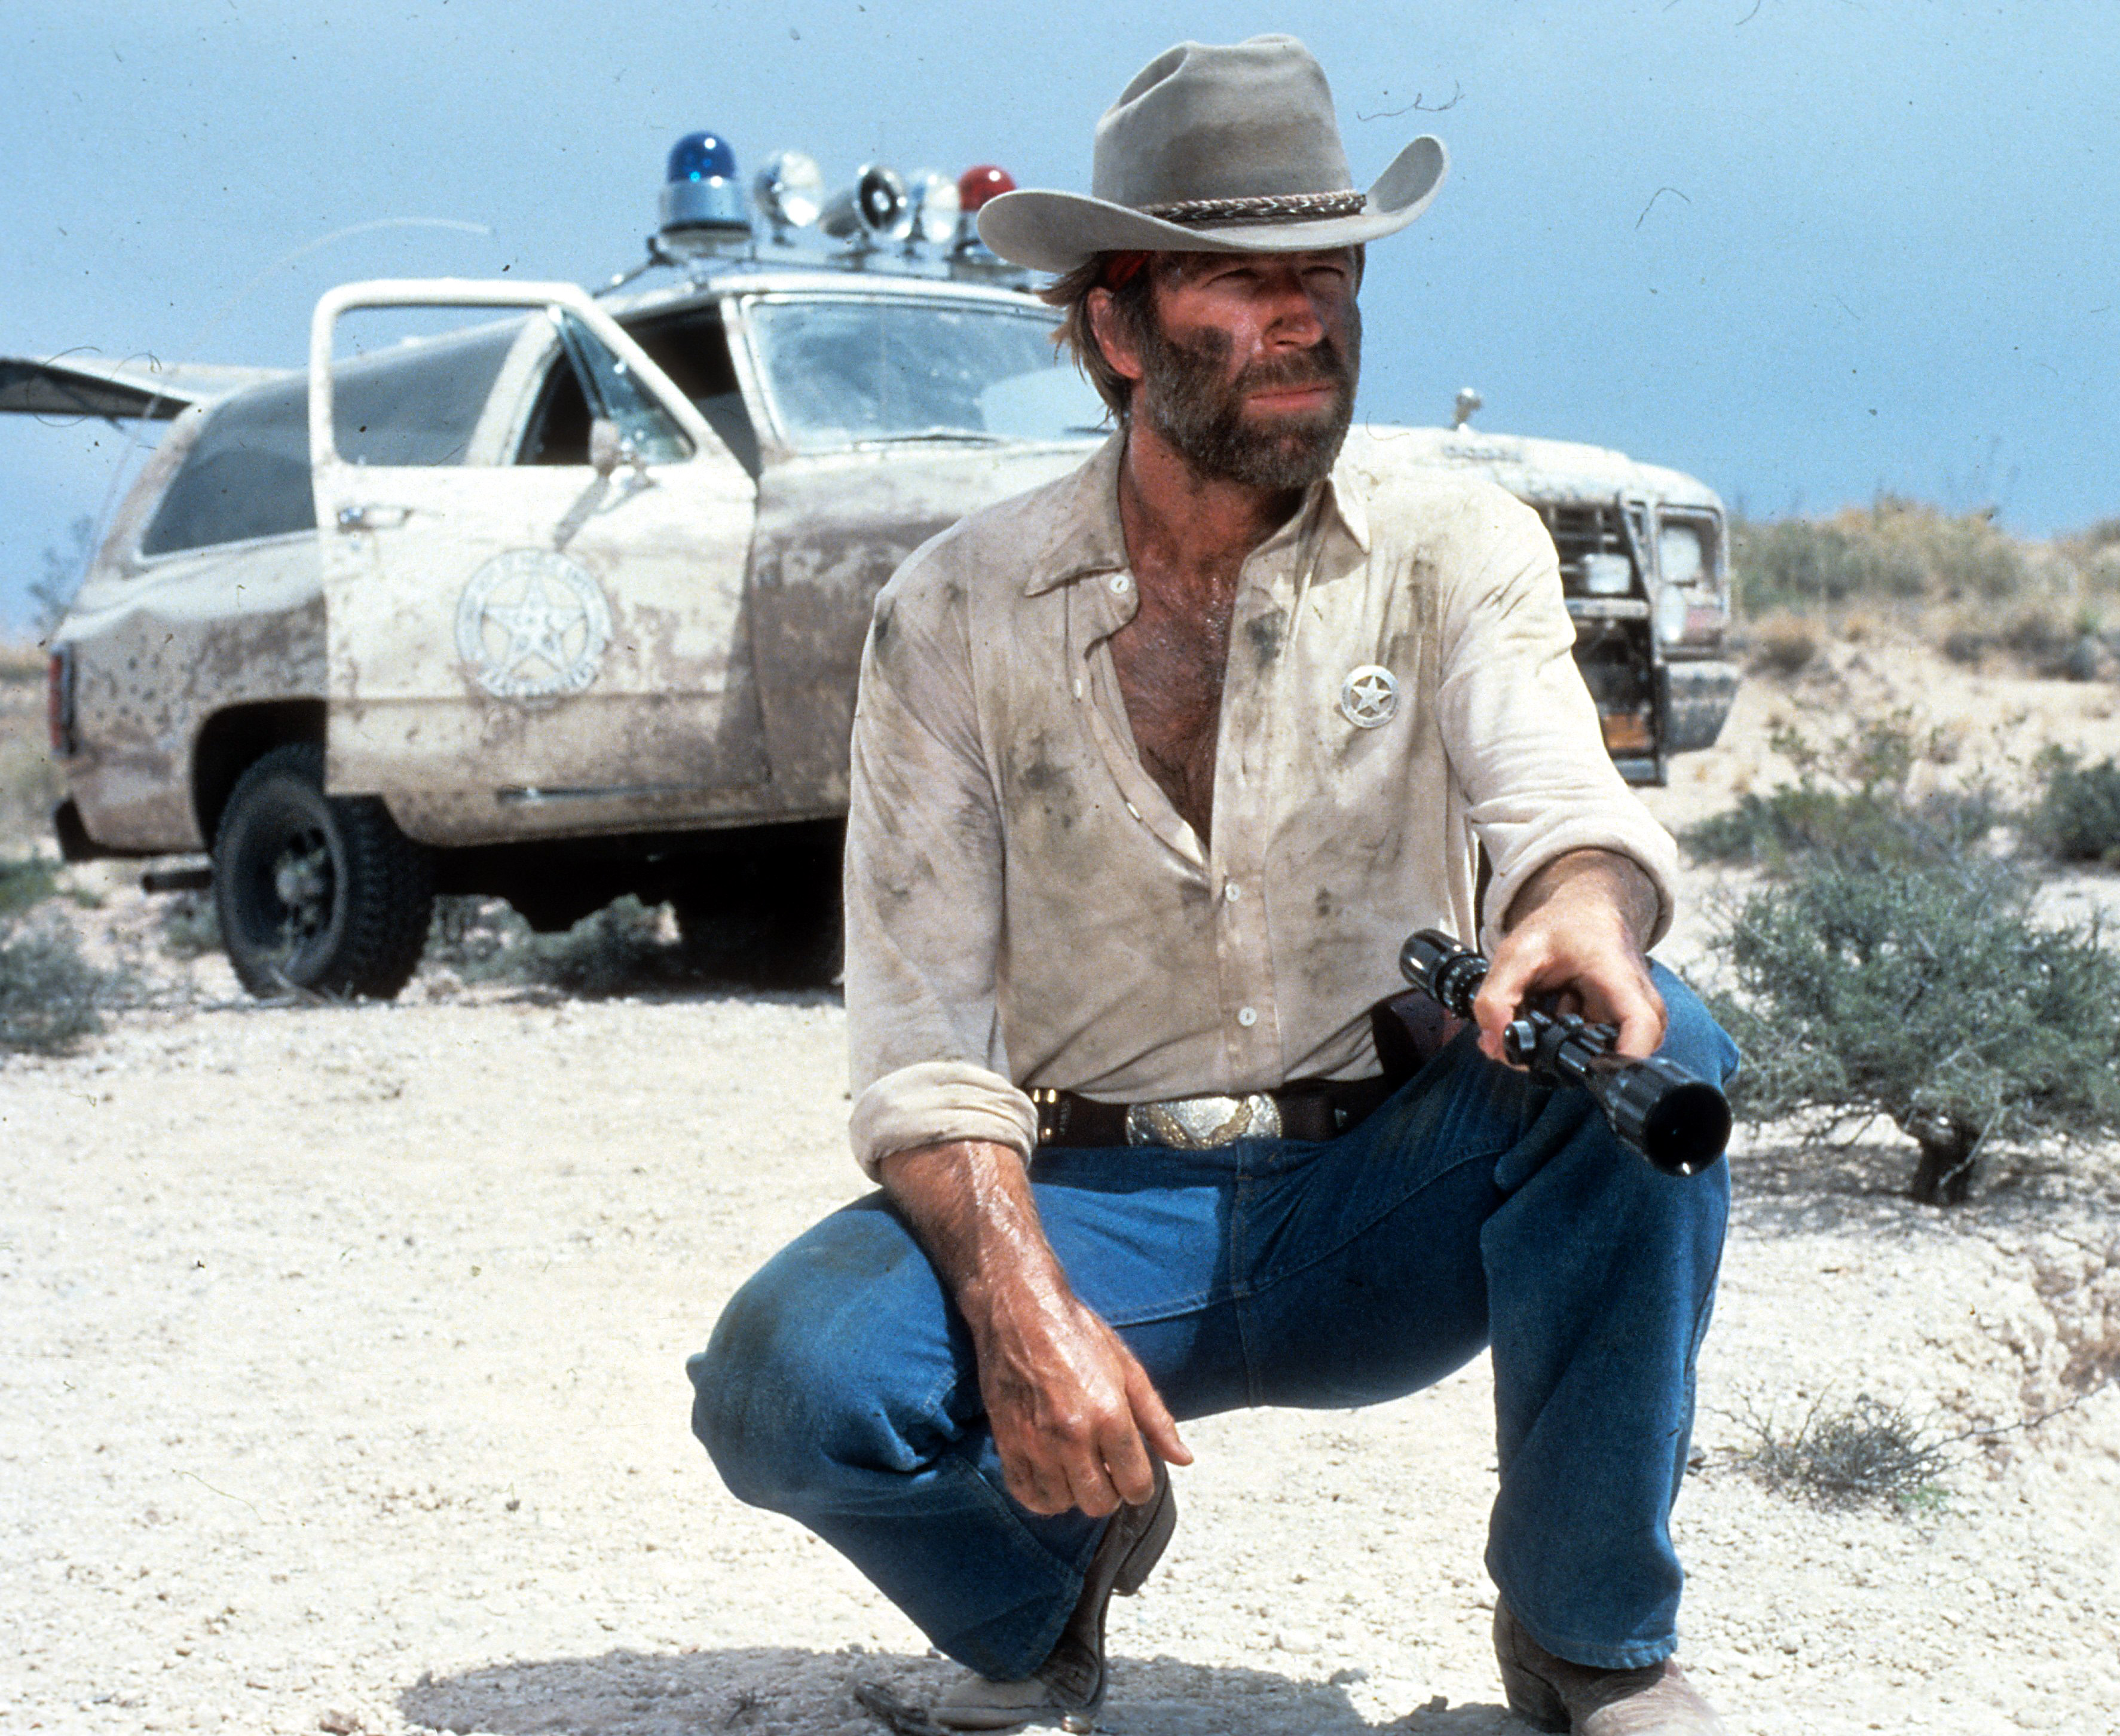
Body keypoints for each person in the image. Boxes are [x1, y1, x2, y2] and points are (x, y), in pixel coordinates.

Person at [688, 35, 1736, 1736]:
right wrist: (1023, 1309)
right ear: (1114, 322)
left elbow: (1563, 804)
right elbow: (923, 1041)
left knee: (1656, 1049)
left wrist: (1586, 906)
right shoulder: (950, 613)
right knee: (784, 1383)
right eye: (1242, 282)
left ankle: (1589, 1635)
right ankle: (1043, 1591)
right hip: (1099, 1211)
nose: (1306, 316)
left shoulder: (1459, 547)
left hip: (1388, 1196)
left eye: (1326, 272)